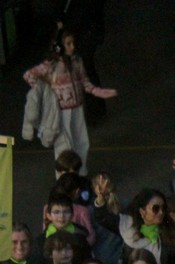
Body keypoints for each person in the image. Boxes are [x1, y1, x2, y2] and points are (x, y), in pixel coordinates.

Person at [22, 30, 118, 174]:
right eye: (68, 44)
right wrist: (46, 84)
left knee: (82, 142)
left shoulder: (77, 61)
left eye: (73, 43)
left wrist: (98, 92)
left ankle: (81, 173)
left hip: (77, 107)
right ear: (60, 46)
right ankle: (64, 176)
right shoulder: (52, 64)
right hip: (60, 111)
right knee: (63, 145)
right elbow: (29, 75)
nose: (72, 46)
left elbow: (84, 81)